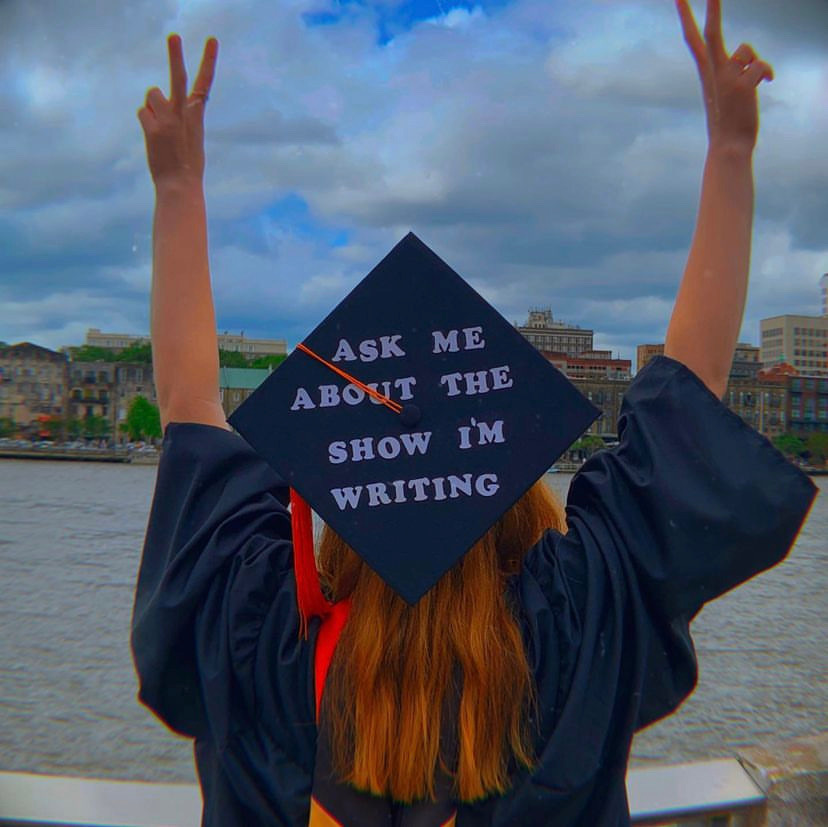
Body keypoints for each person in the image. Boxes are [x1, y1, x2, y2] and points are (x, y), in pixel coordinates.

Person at [131, 2, 816, 825]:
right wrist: (732, 152)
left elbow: (189, 405)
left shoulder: (259, 639)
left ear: (346, 502)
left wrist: (177, 186)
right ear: (517, 492)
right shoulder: (575, 628)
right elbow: (689, 394)